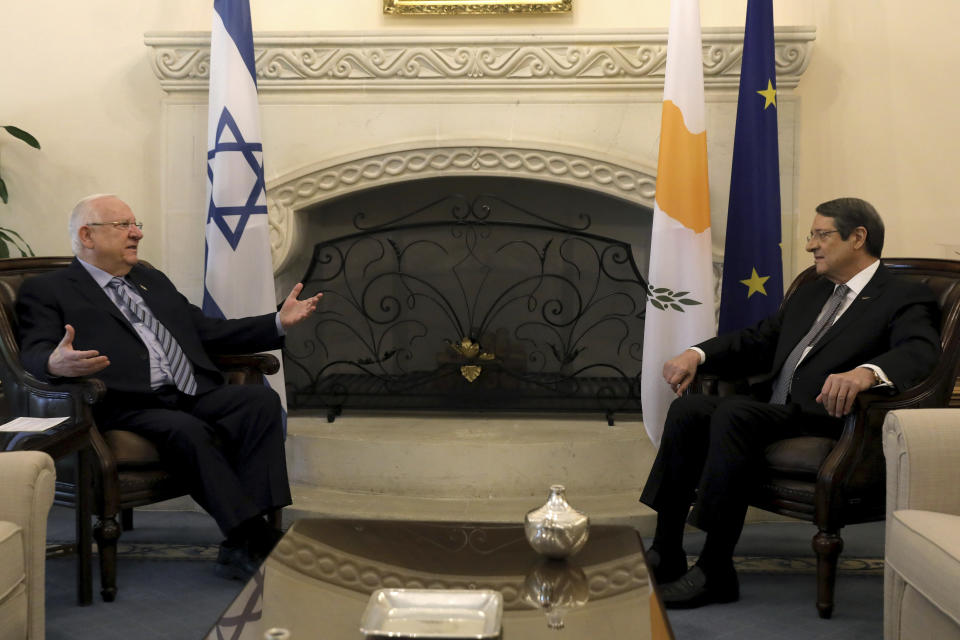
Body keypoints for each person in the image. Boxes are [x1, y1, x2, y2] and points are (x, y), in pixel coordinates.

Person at [639, 197, 941, 608]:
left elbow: (920, 352)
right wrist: (698, 353)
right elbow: (758, 339)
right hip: (780, 412)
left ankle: (715, 569)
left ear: (858, 238)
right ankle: (667, 550)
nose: (810, 245)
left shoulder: (903, 295)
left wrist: (867, 372)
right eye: (811, 235)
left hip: (834, 418)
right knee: (689, 409)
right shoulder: (812, 292)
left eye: (821, 235)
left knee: (734, 412)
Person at [16, 194, 323, 580]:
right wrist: (53, 362)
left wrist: (276, 322)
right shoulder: (49, 290)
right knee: (186, 430)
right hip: (123, 403)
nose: (137, 233)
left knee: (258, 400)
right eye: (123, 225)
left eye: (135, 223)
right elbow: (32, 353)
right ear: (87, 235)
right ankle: (249, 536)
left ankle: (252, 535)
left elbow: (205, 331)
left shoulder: (149, 278)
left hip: (190, 390)